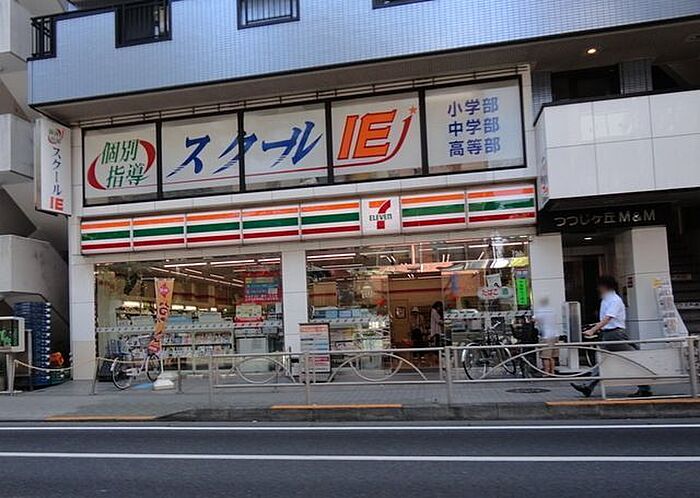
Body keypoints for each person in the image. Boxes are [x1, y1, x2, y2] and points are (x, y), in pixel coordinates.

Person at [571, 275, 652, 398]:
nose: (598, 288)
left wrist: (593, 330)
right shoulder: (608, 299)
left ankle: (645, 388)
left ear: (604, 286)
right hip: (611, 334)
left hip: (614, 335)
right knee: (608, 361)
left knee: (632, 359)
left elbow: (609, 317)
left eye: (599, 286)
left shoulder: (614, 300)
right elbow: (606, 318)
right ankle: (588, 386)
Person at [534, 296, 559, 375]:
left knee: (545, 356)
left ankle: (546, 373)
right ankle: (552, 372)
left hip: (546, 335)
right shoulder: (552, 310)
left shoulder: (541, 311)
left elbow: (534, 319)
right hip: (555, 334)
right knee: (552, 356)